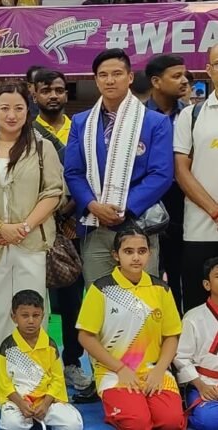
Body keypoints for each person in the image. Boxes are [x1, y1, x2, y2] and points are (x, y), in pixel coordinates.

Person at [0, 82, 64, 396]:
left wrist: (23, 227)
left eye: (18, 108)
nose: (12, 115)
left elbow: (53, 192)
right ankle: (2, 388)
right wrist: (0, 227)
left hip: (31, 243)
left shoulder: (42, 148)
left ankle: (34, 386)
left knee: (32, 315)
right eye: (4, 108)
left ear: (28, 110)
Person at [64, 49, 173, 286]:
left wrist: (125, 209)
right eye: (103, 75)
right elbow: (73, 172)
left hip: (138, 223)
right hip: (95, 224)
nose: (110, 80)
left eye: (117, 74)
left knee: (141, 297)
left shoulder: (155, 122)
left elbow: (161, 174)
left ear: (130, 77)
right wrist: (93, 205)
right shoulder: (81, 122)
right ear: (95, 80)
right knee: (99, 296)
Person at [77, 227, 184, 430]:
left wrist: (160, 370)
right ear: (116, 255)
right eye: (128, 251)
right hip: (114, 372)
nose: (136, 257)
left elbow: (171, 335)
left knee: (170, 422)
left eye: (142, 251)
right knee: (138, 422)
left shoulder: (161, 289)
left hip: (154, 370)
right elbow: (85, 336)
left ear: (149, 253)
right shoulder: (101, 289)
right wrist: (120, 369)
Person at [31, 69, 91, 393]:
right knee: (34, 298)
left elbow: (89, 174)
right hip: (34, 226)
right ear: (34, 94)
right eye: (46, 90)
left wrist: (71, 207)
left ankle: (71, 362)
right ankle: (36, 362)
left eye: (58, 89)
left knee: (72, 301)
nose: (53, 95)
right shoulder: (27, 129)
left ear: (66, 93)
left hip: (72, 228)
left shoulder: (81, 128)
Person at [0, 290, 84, 430]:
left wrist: (46, 404)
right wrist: (21, 404)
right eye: (25, 315)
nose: (31, 321)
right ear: (14, 317)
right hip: (18, 401)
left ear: (43, 316)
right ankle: (32, 421)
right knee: (12, 424)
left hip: (46, 401)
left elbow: (57, 379)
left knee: (73, 424)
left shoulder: (50, 345)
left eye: (36, 315)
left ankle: (37, 420)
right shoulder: (7, 347)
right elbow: (4, 383)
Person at [175, 44, 218, 312]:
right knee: (197, 307)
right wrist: (215, 211)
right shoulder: (191, 114)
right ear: (209, 70)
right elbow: (181, 170)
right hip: (200, 230)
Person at [146, 54, 189, 313]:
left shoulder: (192, 115)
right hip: (149, 204)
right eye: (176, 76)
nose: (184, 81)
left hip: (188, 202)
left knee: (184, 272)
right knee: (151, 272)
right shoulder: (138, 117)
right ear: (156, 82)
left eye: (185, 75)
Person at [174, 257, 218, 430]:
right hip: (205, 383)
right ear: (207, 285)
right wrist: (202, 386)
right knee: (209, 420)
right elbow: (181, 357)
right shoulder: (193, 318)